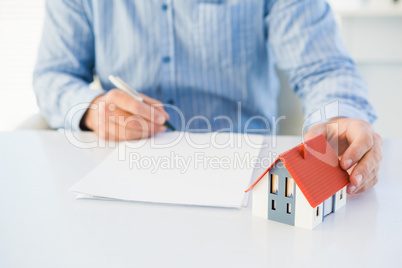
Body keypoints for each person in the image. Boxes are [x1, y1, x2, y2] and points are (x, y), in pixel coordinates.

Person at [33, 0, 382, 195]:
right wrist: (92, 109)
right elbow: (54, 75)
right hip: (121, 175)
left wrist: (338, 118)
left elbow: (323, 69)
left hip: (247, 180)